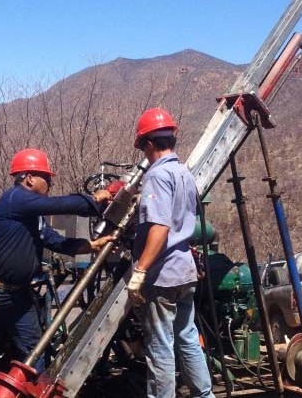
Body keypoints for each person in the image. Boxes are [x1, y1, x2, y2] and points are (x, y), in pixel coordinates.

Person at [0, 148, 113, 398]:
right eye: (45, 177)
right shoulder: (15, 199)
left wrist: (88, 245)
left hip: (19, 295)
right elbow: (59, 205)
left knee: (33, 349)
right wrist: (93, 200)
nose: (50, 182)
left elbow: (52, 240)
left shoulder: (33, 213)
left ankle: (35, 394)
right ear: (28, 178)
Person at [126, 108, 215, 398]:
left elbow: (160, 228)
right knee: (187, 337)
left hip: (162, 274)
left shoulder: (157, 175)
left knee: (160, 345)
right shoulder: (184, 173)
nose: (144, 153)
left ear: (150, 144)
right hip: (186, 271)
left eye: (142, 147)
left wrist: (139, 271)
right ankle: (205, 395)